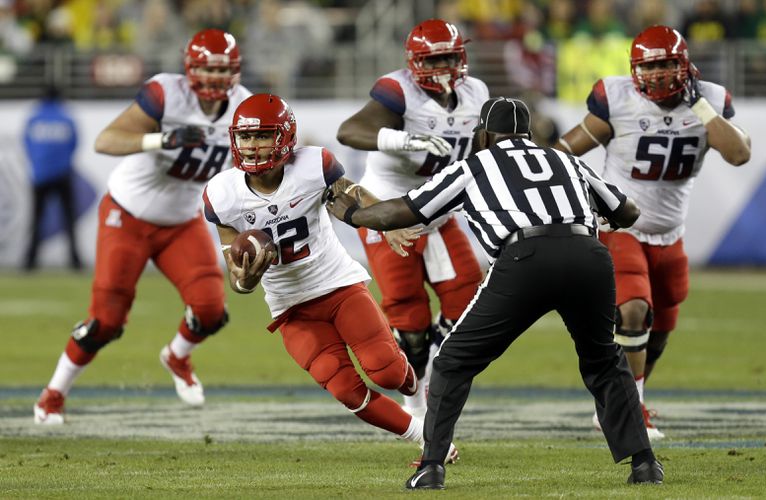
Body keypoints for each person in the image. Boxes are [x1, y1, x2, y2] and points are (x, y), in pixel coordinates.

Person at [328, 97, 664, 489]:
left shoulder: (475, 165)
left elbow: (401, 211)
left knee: (453, 361)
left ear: (484, 135)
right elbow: (628, 212)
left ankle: (431, 466)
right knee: (604, 359)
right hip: (588, 256)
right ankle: (644, 464)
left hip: (526, 258)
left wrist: (351, 215)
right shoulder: (565, 160)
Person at [202, 93, 459, 464]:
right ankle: (424, 435)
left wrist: (386, 224)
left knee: (386, 371)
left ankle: (415, 395)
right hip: (290, 307)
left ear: (286, 137)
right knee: (346, 390)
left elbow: (348, 197)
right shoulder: (222, 195)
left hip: (337, 285)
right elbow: (237, 279)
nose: (252, 146)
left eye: (262, 136)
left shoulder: (312, 166)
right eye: (245, 137)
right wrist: (247, 278)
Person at [33, 28, 251, 425]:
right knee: (106, 320)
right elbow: (106, 140)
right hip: (127, 214)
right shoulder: (166, 93)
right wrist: (162, 139)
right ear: (190, 68)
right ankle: (52, 395)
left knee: (210, 308)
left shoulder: (246, 108)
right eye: (209, 70)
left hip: (182, 221)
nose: (218, 80)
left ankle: (177, 356)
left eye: (225, 71)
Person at [555, 25, 751, 439]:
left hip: (669, 233)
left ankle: (618, 398)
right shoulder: (617, 98)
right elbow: (565, 151)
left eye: (665, 64)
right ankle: (631, 409)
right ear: (634, 69)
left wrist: (698, 108)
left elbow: (738, 154)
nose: (658, 74)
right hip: (621, 226)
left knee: (661, 324)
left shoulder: (709, 100)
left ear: (683, 66)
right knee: (632, 309)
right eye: (650, 66)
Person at [336, 18, 488, 417]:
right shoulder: (398, 89)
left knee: (470, 302)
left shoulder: (476, 93)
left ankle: (438, 360)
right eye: (435, 59)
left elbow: (479, 152)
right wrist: (404, 138)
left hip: (438, 214)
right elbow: (349, 131)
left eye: (450, 57)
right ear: (417, 62)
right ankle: (415, 402)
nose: (445, 66)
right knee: (409, 322)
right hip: (390, 214)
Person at [23, 85, 82, 271]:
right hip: (63, 174)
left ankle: (30, 261)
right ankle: (75, 261)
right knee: (69, 220)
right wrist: (63, 163)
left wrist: (38, 164)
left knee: (36, 220)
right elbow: (74, 143)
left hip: (40, 175)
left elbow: (26, 144)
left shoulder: (34, 118)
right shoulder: (66, 118)